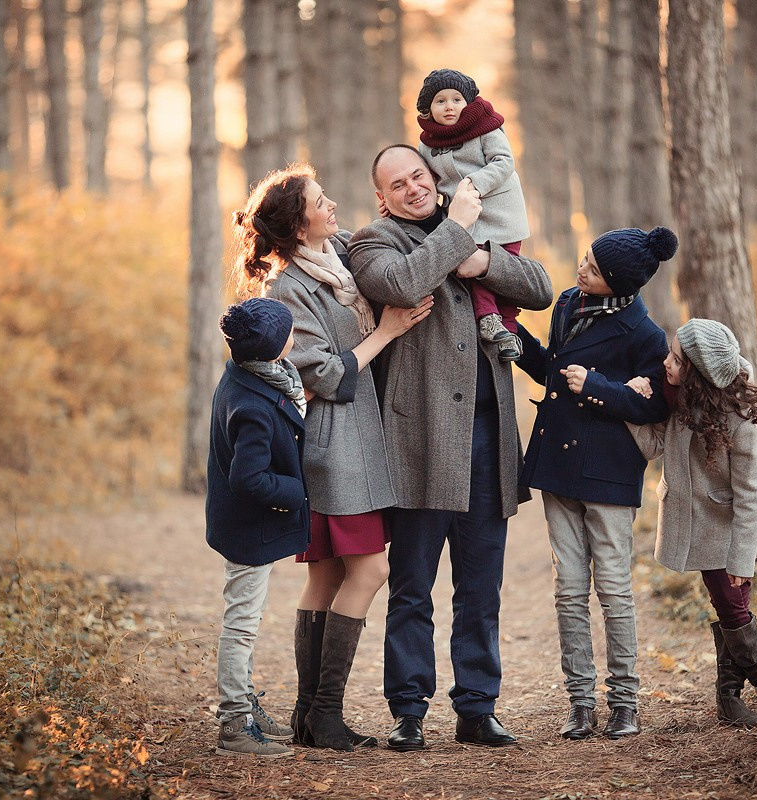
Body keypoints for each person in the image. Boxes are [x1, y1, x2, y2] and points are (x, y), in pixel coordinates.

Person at [348, 144, 553, 751]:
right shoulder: (373, 242)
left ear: (433, 175)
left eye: (418, 175)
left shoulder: (476, 227)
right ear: (381, 196)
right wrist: (459, 232)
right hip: (418, 440)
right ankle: (408, 709)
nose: (412, 188)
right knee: (412, 584)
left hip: (488, 439)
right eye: (397, 183)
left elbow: (539, 285)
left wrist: (480, 256)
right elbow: (400, 283)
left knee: (480, 584)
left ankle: (476, 707)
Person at [232, 165, 433, 752]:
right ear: (298, 227)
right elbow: (319, 372)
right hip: (332, 443)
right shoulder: (289, 287)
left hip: (352, 438)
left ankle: (308, 718)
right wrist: (388, 330)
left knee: (326, 574)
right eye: (322, 201)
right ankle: (324, 712)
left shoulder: (339, 259)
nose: (334, 205)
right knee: (370, 571)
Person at [513, 227, 677, 741]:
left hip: (609, 474)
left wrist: (599, 387)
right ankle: (580, 704)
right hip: (559, 466)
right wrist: (517, 340)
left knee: (613, 590)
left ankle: (625, 703)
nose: (582, 269)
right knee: (567, 590)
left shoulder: (644, 334)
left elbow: (655, 406)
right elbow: (554, 372)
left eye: (594, 269)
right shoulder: (567, 303)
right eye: (586, 258)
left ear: (618, 283)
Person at [624, 319, 757, 727]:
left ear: (698, 371)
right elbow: (653, 445)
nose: (666, 362)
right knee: (731, 609)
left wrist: (741, 561)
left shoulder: (739, 417)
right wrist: (631, 406)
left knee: (733, 608)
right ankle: (734, 700)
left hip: (731, 530)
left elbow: (752, 496)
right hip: (699, 525)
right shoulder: (680, 399)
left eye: (676, 359)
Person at [205, 297, 309, 759]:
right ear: (271, 347)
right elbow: (248, 479)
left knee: (247, 618)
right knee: (242, 623)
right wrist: (298, 493)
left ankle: (245, 704)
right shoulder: (253, 404)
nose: (295, 336)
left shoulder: (247, 373)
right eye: (289, 332)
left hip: (244, 524)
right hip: (249, 528)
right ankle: (234, 723)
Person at [415, 68, 530, 362]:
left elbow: (504, 162)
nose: (449, 106)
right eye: (440, 102)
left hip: (499, 209)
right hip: (464, 216)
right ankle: (490, 321)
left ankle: (507, 329)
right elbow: (425, 178)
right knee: (473, 266)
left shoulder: (486, 128)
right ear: (429, 108)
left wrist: (475, 184)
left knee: (503, 268)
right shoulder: (428, 143)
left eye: (456, 99)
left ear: (468, 102)